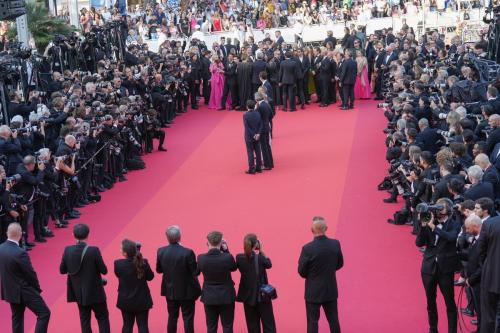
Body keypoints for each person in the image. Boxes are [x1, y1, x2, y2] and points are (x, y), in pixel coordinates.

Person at [416, 198, 460, 333]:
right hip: (428, 268)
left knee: (450, 303)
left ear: (449, 211)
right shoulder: (429, 221)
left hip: (445, 269)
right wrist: (423, 227)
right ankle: (433, 329)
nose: (438, 210)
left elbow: (451, 237)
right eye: (436, 207)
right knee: (430, 302)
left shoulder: (454, 224)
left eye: (441, 208)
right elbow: (419, 243)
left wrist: (434, 228)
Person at [59, 223, 111, 333]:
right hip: (95, 291)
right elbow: (104, 270)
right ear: (88, 235)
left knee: (84, 320)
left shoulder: (67, 250)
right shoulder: (94, 250)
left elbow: (62, 270)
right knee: (102, 318)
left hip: (79, 294)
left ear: (73, 235)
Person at [0, 223, 50, 333]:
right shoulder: (20, 253)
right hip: (24, 290)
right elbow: (30, 274)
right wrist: (37, 289)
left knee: (17, 317)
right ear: (20, 235)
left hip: (10, 290)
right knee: (44, 313)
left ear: (7, 233)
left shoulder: (1, 248)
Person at [298, 216, 343, 333]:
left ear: (312, 230)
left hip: (313, 291)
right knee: (333, 320)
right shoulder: (335, 244)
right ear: (326, 228)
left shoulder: (307, 249)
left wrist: (312, 275)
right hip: (330, 289)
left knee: (312, 322)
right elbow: (340, 264)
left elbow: (301, 271)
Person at [156, 225, 201, 333]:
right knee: (188, 318)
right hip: (187, 292)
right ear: (180, 236)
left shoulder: (161, 251)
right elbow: (195, 271)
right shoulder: (188, 252)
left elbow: (159, 270)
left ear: (167, 238)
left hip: (170, 291)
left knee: (172, 317)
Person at [236, 233, 277, 333]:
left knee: (252, 326)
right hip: (262, 296)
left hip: (247, 297)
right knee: (268, 325)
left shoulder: (239, 258)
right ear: (256, 245)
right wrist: (262, 250)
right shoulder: (260, 258)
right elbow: (269, 264)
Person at [197, 231, 237, 333]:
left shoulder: (201, 258)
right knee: (227, 326)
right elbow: (233, 267)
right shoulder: (227, 257)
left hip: (209, 297)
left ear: (207, 243)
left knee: (211, 327)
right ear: (221, 242)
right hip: (227, 296)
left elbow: (196, 272)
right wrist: (226, 250)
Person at [114, 239, 154, 333]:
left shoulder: (118, 264)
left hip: (125, 300)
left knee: (127, 325)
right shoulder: (143, 262)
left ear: (125, 253)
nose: (120, 250)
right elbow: (150, 277)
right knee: (143, 325)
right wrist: (141, 259)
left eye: (121, 249)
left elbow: (118, 274)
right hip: (142, 300)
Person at [478, 215, 500, 333]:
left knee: (488, 317)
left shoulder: (490, 223)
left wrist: (487, 265)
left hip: (491, 276)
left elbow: (481, 251)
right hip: (492, 274)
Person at [255, 92, 274, 171]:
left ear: (256, 99)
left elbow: (256, 118)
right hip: (267, 126)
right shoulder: (266, 104)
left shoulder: (259, 107)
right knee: (268, 146)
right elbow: (271, 115)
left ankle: (267, 165)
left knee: (264, 147)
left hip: (262, 129)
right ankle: (271, 163)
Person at [243, 100, 262, 175]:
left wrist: (253, 134)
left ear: (247, 107)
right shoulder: (258, 113)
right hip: (257, 136)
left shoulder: (245, 115)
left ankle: (252, 168)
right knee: (258, 151)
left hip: (249, 136)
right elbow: (260, 124)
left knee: (250, 152)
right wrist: (258, 134)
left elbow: (247, 127)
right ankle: (259, 167)